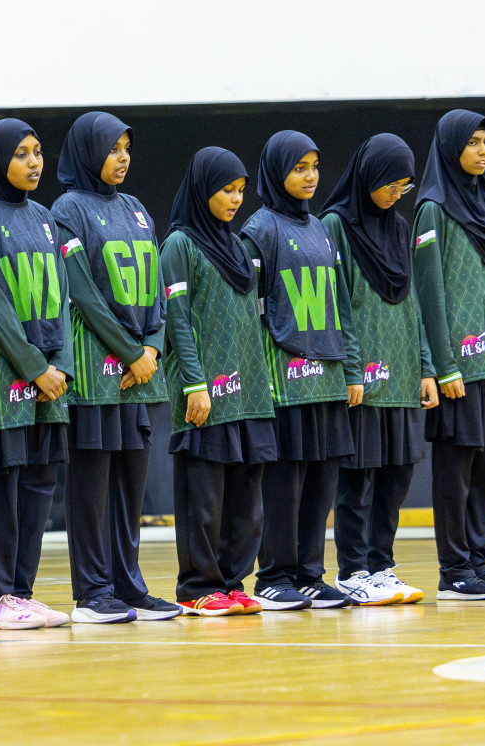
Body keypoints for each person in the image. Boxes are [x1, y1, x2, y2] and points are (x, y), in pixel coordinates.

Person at [48, 112, 179, 624]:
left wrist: (153, 350)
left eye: (127, 148)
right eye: (111, 149)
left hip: (141, 373)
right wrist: (132, 353)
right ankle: (93, 592)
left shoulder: (137, 209)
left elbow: (159, 292)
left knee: (129, 489)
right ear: (87, 153)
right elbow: (82, 292)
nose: (122, 158)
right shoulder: (67, 209)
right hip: (95, 372)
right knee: (91, 490)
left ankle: (129, 586)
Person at [0, 119, 73, 630]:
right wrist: (34, 367)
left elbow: (63, 297)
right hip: (5, 379)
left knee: (39, 487)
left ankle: (21, 593)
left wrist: (61, 365)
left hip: (50, 381)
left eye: (38, 151)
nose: (33, 162)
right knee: (2, 489)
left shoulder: (45, 218)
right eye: (21, 153)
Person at [413, 110, 485, 601]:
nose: (483, 151)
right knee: (456, 469)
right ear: (450, 148)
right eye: (473, 142)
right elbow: (427, 293)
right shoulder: (432, 210)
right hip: (459, 367)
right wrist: (443, 365)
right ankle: (454, 570)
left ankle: (477, 565)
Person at [240, 131, 355, 612]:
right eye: (299, 167)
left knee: (321, 481)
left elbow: (341, 304)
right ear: (276, 172)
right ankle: (273, 577)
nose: (310, 177)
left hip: (326, 375)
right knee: (284, 483)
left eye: (315, 166)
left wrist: (351, 368)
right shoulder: (259, 229)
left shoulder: (322, 227)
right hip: (284, 379)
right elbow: (250, 311)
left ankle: (309, 574)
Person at [160, 148, 276, 618]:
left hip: (249, 392)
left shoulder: (239, 247)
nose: (235, 199)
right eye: (226, 190)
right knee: (204, 502)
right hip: (206, 392)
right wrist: (194, 383)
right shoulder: (179, 245)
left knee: (246, 504)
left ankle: (232, 582)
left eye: (241, 191)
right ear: (203, 188)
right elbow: (177, 321)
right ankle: (198, 587)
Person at [322, 134, 436, 607]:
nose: (395, 193)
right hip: (363, 374)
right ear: (369, 175)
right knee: (357, 477)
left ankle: (381, 566)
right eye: (390, 183)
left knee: (396, 475)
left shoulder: (398, 225)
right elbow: (336, 303)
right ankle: (353, 571)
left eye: (404, 186)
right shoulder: (335, 224)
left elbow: (413, 301)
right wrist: (351, 369)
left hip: (403, 368)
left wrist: (426, 366)